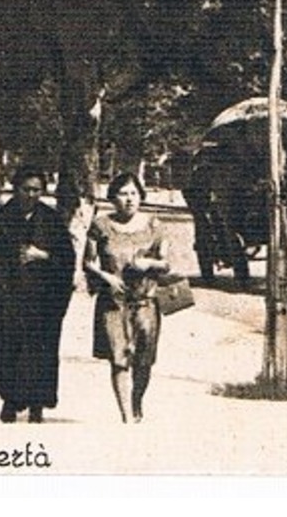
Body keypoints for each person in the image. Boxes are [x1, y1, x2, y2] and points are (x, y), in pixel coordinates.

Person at [0, 165, 75, 423]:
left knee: (39, 354)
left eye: (37, 190)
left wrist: (44, 255)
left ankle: (36, 405)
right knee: (1, 353)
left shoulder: (52, 221)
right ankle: (10, 397)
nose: (31, 195)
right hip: (6, 297)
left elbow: (67, 260)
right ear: (15, 189)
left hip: (43, 300)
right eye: (26, 189)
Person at [84, 172, 171, 423]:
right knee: (118, 359)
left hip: (145, 301)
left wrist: (148, 263)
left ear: (141, 196)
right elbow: (88, 262)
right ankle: (126, 417)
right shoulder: (101, 225)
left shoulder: (154, 225)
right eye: (123, 193)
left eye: (134, 193)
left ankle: (137, 400)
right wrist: (107, 277)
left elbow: (165, 264)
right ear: (113, 197)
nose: (129, 199)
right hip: (113, 301)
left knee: (143, 362)